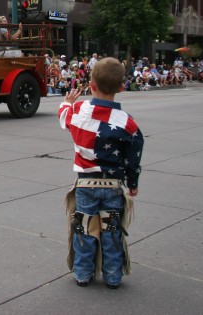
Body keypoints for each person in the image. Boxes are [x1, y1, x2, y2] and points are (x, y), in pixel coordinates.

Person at [58, 57, 144, 290]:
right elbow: (133, 159)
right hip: (113, 187)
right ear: (121, 87)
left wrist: (67, 102)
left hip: (85, 184)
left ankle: (83, 274)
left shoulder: (78, 110)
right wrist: (132, 183)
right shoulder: (127, 123)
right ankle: (113, 276)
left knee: (84, 228)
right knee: (112, 230)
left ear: (91, 85)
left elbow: (63, 117)